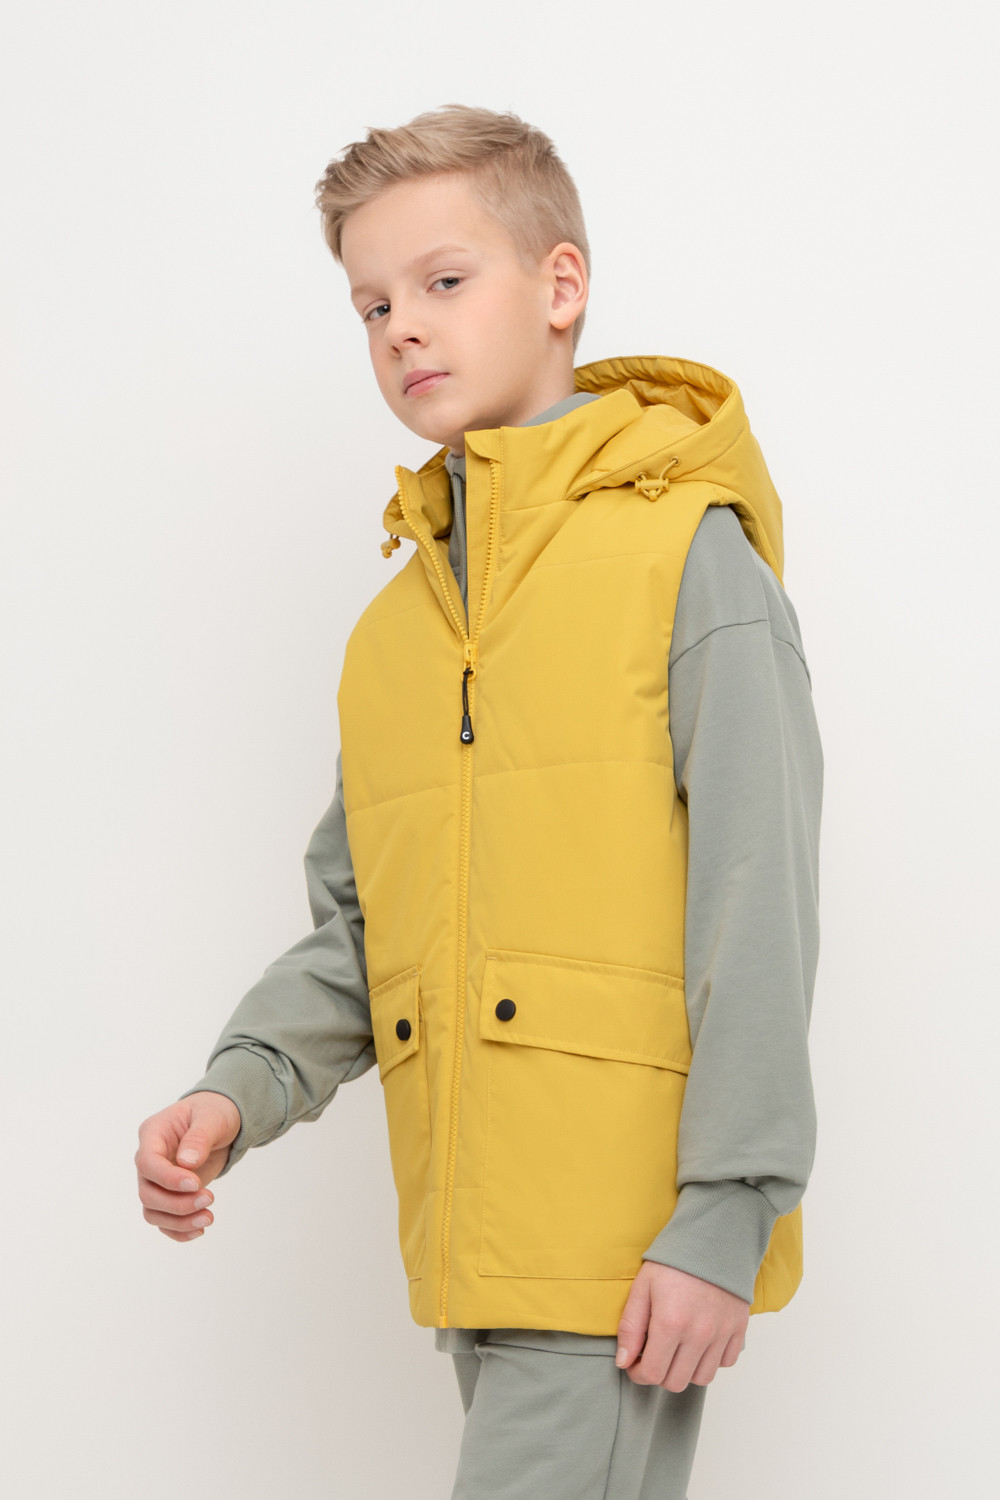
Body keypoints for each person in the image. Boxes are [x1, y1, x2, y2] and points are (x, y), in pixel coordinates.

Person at [135, 103, 823, 1500]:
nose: (403, 327)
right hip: (474, 1243)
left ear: (561, 287)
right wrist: (236, 1087)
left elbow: (762, 901)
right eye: (372, 303)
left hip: (619, 1250)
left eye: (444, 280)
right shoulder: (397, 630)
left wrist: (728, 1211)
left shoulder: (687, 560)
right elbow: (366, 928)